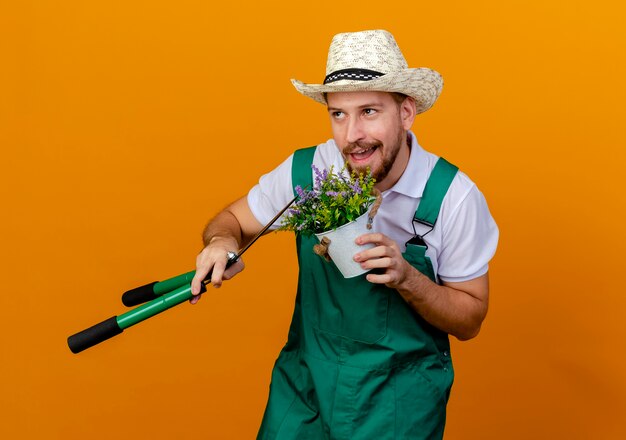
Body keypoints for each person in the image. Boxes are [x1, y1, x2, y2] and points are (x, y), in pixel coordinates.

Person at [190, 29, 498, 440]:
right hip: (305, 392)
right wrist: (221, 242)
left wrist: (408, 278)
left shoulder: (451, 198)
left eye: (369, 111)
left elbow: (470, 319)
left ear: (406, 112)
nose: (351, 134)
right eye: (338, 114)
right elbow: (232, 219)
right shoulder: (308, 172)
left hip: (398, 405)